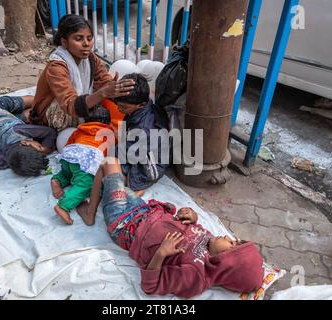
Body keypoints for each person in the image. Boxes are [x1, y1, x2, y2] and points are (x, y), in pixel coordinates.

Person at [76, 158, 265, 298]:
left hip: (124, 224)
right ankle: (99, 199)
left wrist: (161, 254)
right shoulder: (210, 241)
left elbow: (150, 286)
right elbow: (194, 228)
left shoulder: (195, 276)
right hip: (143, 209)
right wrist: (193, 216)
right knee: (111, 174)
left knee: (110, 164)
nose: (226, 236)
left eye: (232, 243)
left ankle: (90, 214)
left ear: (226, 263)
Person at [32, 14, 134, 131]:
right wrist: (102, 93)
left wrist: (114, 88)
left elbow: (103, 80)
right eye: (78, 39)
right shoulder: (56, 67)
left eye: (89, 38)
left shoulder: (91, 58)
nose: (86, 44)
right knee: (94, 107)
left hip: (75, 102)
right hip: (53, 110)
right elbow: (70, 104)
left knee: (108, 104)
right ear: (64, 42)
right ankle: (31, 108)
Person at [51, 105, 115, 225]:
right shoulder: (108, 133)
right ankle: (64, 206)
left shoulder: (78, 130)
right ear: (108, 122)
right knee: (87, 184)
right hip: (85, 162)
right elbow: (111, 152)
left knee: (67, 173)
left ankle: (57, 180)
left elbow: (69, 143)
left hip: (69, 156)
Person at [114, 73, 170, 194]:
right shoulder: (145, 106)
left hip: (150, 168)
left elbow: (127, 152)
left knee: (113, 170)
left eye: (123, 107)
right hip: (143, 151)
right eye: (118, 104)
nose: (119, 109)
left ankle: (139, 188)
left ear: (140, 105)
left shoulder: (143, 129)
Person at [0, 95, 56, 176]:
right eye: (40, 147)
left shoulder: (20, 131)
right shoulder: (3, 159)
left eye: (39, 147)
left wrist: (45, 147)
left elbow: (50, 132)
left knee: (37, 103)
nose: (41, 147)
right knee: (33, 108)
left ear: (25, 142)